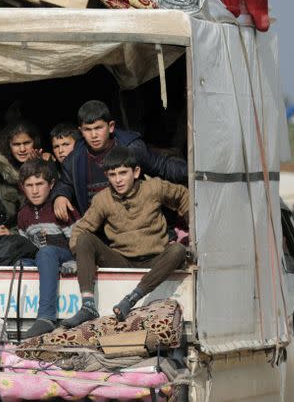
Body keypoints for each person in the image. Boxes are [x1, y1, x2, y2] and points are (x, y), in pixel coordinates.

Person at [62, 147, 189, 327]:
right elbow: (80, 230)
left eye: (123, 173)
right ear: (107, 175)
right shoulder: (103, 199)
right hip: (122, 260)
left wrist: (193, 227)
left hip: (155, 259)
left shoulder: (154, 187)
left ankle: (131, 299)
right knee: (84, 239)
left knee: (178, 250)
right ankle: (88, 306)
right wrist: (79, 257)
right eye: (113, 174)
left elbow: (183, 196)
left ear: (136, 172)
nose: (118, 179)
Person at [53, 100, 188, 221]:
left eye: (98, 128)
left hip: (134, 220)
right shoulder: (75, 158)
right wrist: (60, 196)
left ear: (111, 126)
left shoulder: (130, 147)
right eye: (88, 130)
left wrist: (192, 172)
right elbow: (65, 183)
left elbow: (162, 166)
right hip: (97, 225)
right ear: (80, 131)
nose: (94, 135)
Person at [16, 159, 80, 338]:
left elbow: (81, 241)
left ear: (51, 184)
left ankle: (46, 317)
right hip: (42, 259)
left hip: (64, 253)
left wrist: (74, 261)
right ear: (22, 187)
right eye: (29, 185)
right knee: (19, 261)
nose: (35, 190)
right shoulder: (23, 214)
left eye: (39, 184)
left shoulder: (60, 207)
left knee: (46, 252)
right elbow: (25, 246)